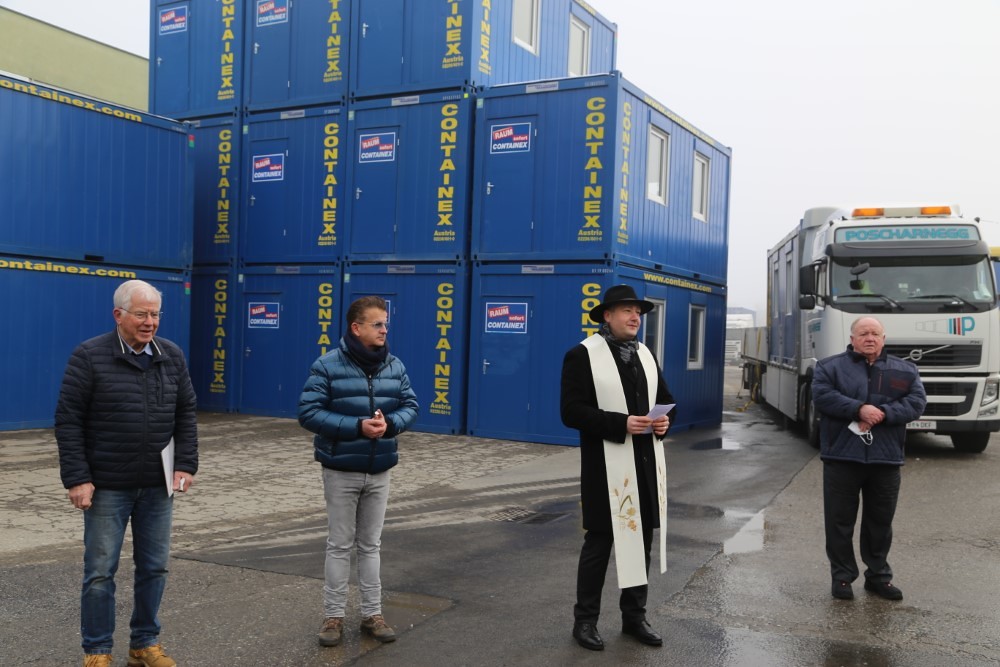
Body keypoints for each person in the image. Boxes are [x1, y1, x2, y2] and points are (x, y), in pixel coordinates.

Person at [55, 280, 198, 667]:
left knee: (155, 567)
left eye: (155, 314)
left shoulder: (171, 355)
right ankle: (97, 649)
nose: (150, 322)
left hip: (157, 485)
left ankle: (144, 643)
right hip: (107, 487)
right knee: (101, 571)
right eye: (141, 314)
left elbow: (186, 412)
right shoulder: (89, 356)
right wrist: (77, 478)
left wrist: (185, 464)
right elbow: (68, 421)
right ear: (118, 315)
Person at [560, 285, 676, 651]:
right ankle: (585, 622)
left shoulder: (645, 354)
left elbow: (667, 400)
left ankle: (634, 618)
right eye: (627, 310)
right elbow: (571, 412)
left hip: (644, 466)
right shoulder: (582, 355)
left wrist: (664, 422)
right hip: (604, 468)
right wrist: (620, 423)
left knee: (640, 544)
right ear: (607, 316)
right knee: (599, 545)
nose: (634, 317)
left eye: (637, 311)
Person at [299, 295, 419, 648]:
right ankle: (333, 617)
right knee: (339, 545)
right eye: (377, 324)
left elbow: (411, 405)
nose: (384, 330)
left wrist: (390, 424)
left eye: (385, 324)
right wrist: (357, 426)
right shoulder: (327, 365)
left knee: (370, 545)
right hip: (341, 469)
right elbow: (308, 413)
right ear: (356, 328)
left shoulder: (394, 366)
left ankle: (372, 615)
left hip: (380, 469)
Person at [812, 316, 926, 601]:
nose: (870, 338)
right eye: (863, 333)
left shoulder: (905, 370)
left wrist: (883, 414)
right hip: (842, 457)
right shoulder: (829, 367)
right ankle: (842, 577)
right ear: (852, 339)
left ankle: (878, 577)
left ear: (884, 339)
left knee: (880, 522)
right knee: (839, 522)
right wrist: (858, 409)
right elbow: (823, 396)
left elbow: (916, 402)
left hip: (885, 460)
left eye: (875, 333)